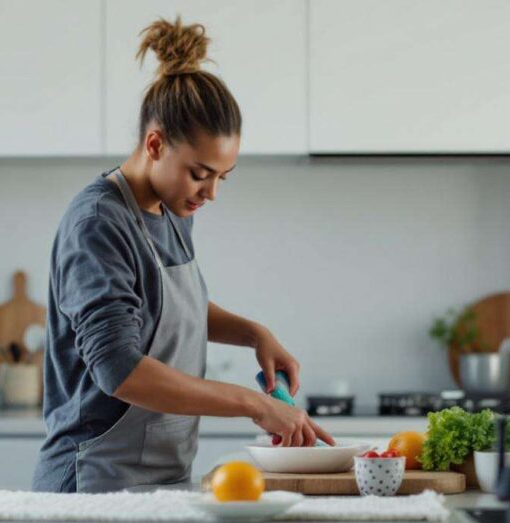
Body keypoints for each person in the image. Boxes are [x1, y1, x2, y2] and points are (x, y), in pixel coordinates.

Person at [32, 16, 333, 494]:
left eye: (223, 177)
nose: (210, 192)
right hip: (93, 483)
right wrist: (252, 404)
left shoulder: (173, 210)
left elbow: (169, 307)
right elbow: (120, 370)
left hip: (161, 478)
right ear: (154, 144)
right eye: (200, 173)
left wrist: (253, 333)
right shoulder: (97, 224)